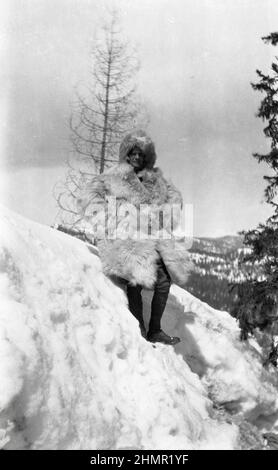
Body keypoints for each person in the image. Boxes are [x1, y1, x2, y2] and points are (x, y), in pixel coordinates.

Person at [80, 130, 192, 345]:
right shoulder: (113, 176)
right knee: (135, 281)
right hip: (125, 239)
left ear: (147, 157)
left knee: (163, 282)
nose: (137, 158)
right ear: (127, 155)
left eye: (141, 155)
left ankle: (155, 330)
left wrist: (164, 215)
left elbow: (175, 199)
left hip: (151, 238)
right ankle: (138, 328)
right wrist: (112, 220)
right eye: (133, 153)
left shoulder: (156, 180)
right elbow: (88, 197)